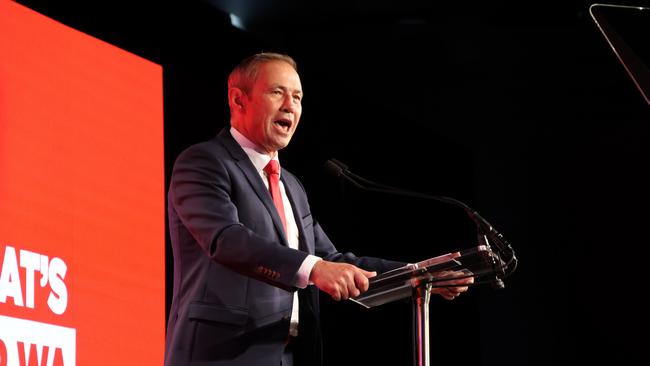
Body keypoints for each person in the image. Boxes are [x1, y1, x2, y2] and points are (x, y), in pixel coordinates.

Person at [164, 52, 473, 366]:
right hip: (220, 354)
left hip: (287, 354)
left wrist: (419, 275)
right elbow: (224, 239)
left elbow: (332, 260)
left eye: (297, 97)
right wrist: (314, 269)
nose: (290, 105)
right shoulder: (204, 162)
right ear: (238, 99)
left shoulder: (291, 186)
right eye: (277, 92)